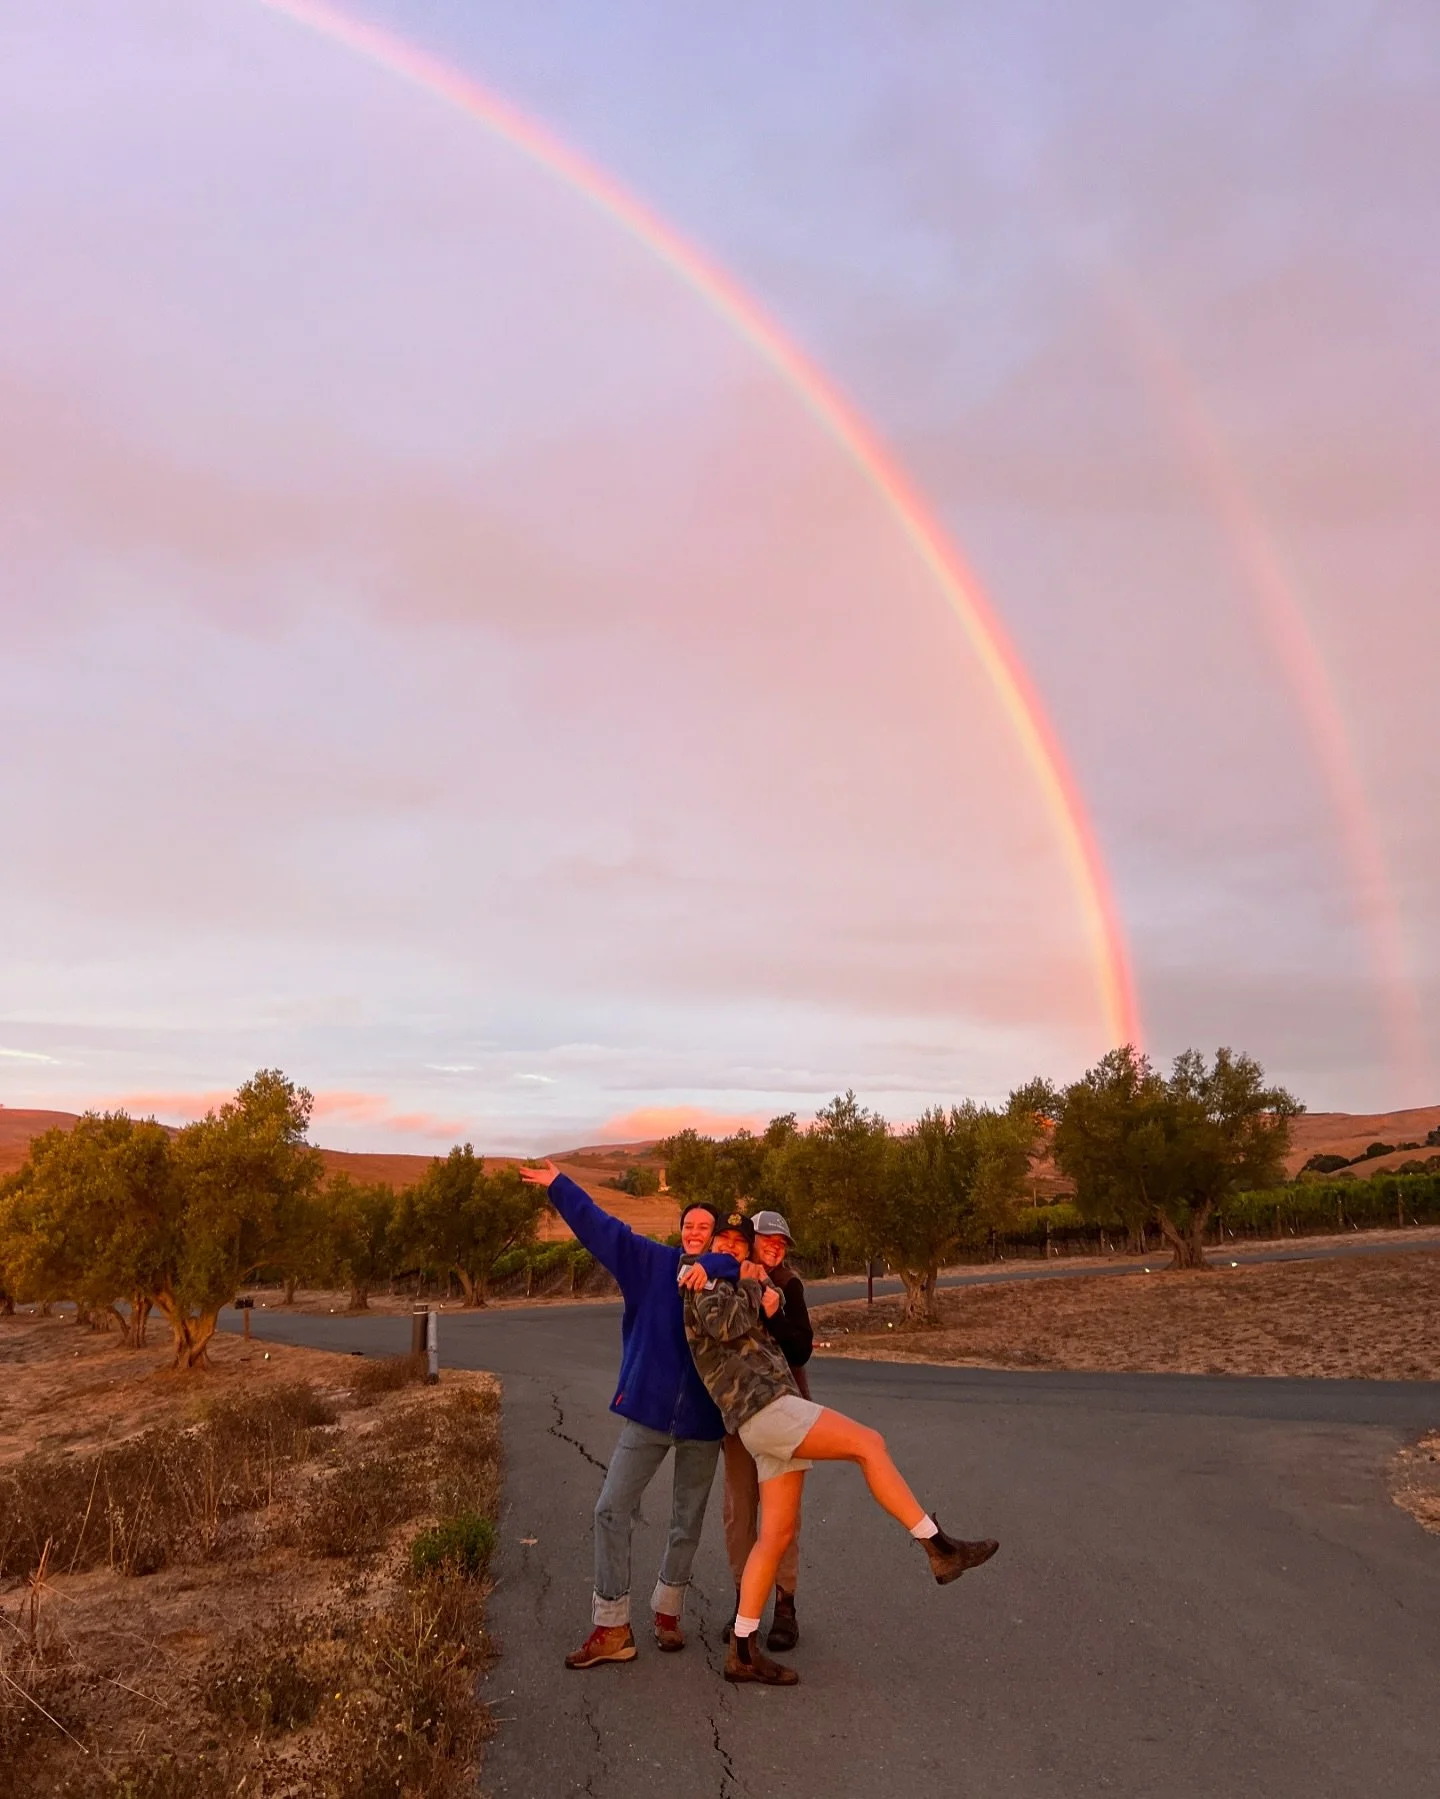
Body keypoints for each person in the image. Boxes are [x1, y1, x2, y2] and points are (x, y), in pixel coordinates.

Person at [679, 1226, 999, 1687]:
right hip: (763, 1407)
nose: (729, 1247)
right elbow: (724, 1326)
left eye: (737, 1241)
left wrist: (757, 1287)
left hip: (770, 1411)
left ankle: (743, 1650)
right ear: (710, 1249)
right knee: (868, 1443)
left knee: (775, 1537)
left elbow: (782, 1336)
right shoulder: (701, 1279)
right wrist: (744, 1279)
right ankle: (940, 1548)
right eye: (721, 1241)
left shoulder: (733, 1279)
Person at [519, 1159, 740, 1669]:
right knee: (610, 1509)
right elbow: (604, 1230)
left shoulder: (727, 1281)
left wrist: (721, 1267)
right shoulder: (652, 1265)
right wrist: (560, 1186)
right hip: (647, 1413)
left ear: (716, 1238)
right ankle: (611, 1624)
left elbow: (746, 1270)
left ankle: (667, 1613)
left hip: (705, 1425)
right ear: (679, 1231)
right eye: (689, 1225)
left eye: (705, 1228)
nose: (694, 1232)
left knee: (687, 1521)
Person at [720, 1208, 811, 1652]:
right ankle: (744, 1605)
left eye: (783, 1242)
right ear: (750, 1241)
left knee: (782, 1516)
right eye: (768, 1239)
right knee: (739, 1514)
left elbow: (801, 1347)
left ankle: (785, 1606)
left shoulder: (789, 1285)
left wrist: (774, 1311)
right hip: (737, 1413)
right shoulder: (728, 1281)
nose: (776, 1246)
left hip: (785, 1410)